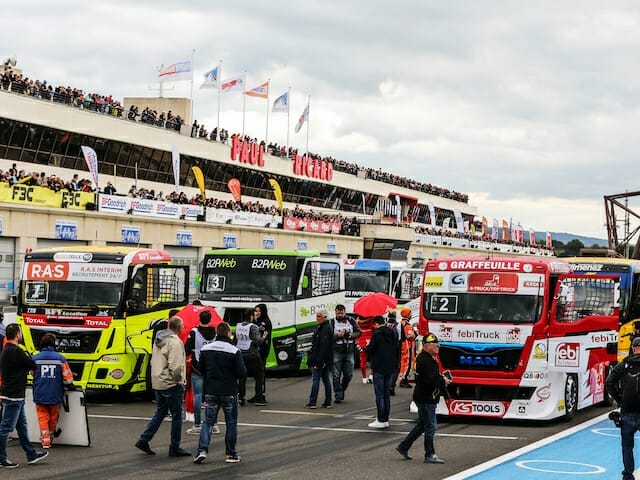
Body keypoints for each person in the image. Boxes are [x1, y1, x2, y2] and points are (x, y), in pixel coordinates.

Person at [135, 316, 190, 457]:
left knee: (160, 412)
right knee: (177, 415)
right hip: (171, 382)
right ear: (178, 328)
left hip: (158, 380)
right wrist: (179, 380)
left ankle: (144, 439)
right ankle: (174, 446)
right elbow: (176, 366)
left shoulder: (159, 338)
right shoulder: (175, 342)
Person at [194, 322, 247, 465]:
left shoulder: (206, 349)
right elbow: (242, 372)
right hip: (229, 390)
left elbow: (201, 368)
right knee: (231, 423)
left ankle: (201, 451)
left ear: (217, 332)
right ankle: (231, 453)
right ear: (229, 333)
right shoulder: (234, 350)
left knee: (208, 422)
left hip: (211, 389)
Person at [396, 333, 451, 463]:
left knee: (422, 425)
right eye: (434, 343)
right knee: (431, 426)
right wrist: (443, 381)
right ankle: (429, 454)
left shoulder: (423, 358)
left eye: (438, 343)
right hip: (427, 398)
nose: (438, 345)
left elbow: (428, 377)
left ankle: (404, 446)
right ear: (426, 346)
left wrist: (439, 377)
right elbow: (430, 381)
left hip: (422, 396)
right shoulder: (427, 361)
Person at [0, 324, 49, 468]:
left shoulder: (6, 350)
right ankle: (1, 458)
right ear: (17, 334)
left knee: (22, 427)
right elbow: (32, 364)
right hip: (14, 395)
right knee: (5, 428)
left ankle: (31, 454)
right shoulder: (16, 351)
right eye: (20, 333)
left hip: (12, 394)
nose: (21, 335)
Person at [32, 333, 75, 449]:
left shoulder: (35, 358)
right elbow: (68, 379)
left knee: (42, 417)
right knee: (53, 417)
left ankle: (45, 441)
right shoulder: (60, 358)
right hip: (55, 393)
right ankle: (50, 438)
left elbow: (32, 374)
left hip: (40, 393)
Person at [606, 336, 640, 480]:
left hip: (627, 411)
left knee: (627, 446)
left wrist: (620, 400)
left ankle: (628, 475)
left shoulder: (625, 364)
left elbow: (609, 382)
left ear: (633, 348)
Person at [184, 310, 218, 436]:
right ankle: (214, 424)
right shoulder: (215, 332)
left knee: (197, 396)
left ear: (199, 319)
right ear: (210, 320)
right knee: (211, 397)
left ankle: (197, 424)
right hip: (211, 367)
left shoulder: (194, 332)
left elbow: (187, 349)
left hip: (197, 367)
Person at [365, 316, 398, 428]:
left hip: (379, 366)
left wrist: (365, 347)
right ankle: (385, 419)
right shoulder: (392, 332)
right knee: (386, 394)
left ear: (375, 324)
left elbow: (371, 349)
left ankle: (380, 419)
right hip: (390, 366)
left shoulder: (377, 334)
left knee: (379, 395)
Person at [331, 305, 361, 403]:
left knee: (349, 374)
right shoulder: (332, 322)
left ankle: (342, 388)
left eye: (342, 313)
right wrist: (338, 335)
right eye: (338, 313)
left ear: (345, 312)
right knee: (336, 374)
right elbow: (329, 336)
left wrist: (351, 335)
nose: (340, 315)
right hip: (336, 351)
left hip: (349, 351)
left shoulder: (351, 320)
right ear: (335, 312)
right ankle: (338, 393)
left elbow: (359, 332)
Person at [235, 310, 266, 406]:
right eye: (255, 315)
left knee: (242, 377)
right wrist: (264, 337)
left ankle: (240, 397)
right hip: (253, 355)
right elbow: (258, 341)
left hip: (241, 354)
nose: (256, 317)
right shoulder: (253, 327)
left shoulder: (238, 326)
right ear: (251, 317)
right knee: (259, 376)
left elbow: (235, 340)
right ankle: (259, 397)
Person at [305, 309, 333, 409]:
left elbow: (324, 347)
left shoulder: (325, 329)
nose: (317, 319)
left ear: (325, 317)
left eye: (319, 316)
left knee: (316, 379)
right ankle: (328, 401)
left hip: (321, 360)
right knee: (326, 379)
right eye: (317, 316)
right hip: (323, 359)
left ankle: (313, 402)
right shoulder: (322, 327)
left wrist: (319, 361)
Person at [398, 307, 416, 388]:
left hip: (402, 345)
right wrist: (415, 334)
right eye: (410, 313)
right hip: (407, 345)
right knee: (407, 363)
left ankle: (403, 378)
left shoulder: (400, 323)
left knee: (403, 362)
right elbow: (410, 336)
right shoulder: (407, 324)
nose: (411, 315)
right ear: (407, 315)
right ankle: (403, 379)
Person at [356, 316, 375, 383]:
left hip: (361, 342)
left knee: (363, 360)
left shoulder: (357, 322)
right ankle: (371, 375)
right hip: (371, 342)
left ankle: (364, 378)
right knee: (375, 359)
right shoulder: (372, 321)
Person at [254, 304, 272, 368]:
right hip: (255, 348)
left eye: (259, 311)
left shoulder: (266, 322)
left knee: (261, 367)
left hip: (263, 348)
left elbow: (264, 334)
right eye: (256, 311)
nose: (257, 313)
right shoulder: (256, 320)